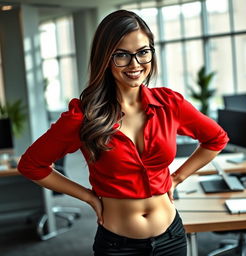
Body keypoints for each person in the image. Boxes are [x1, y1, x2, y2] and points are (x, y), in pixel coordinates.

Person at [18, 9, 229, 256]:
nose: (135, 64)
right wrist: (88, 197)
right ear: (105, 58)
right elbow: (32, 165)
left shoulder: (170, 104)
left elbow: (216, 139)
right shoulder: (83, 116)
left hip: (171, 237)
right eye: (122, 55)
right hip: (118, 246)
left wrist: (177, 177)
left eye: (143, 52)